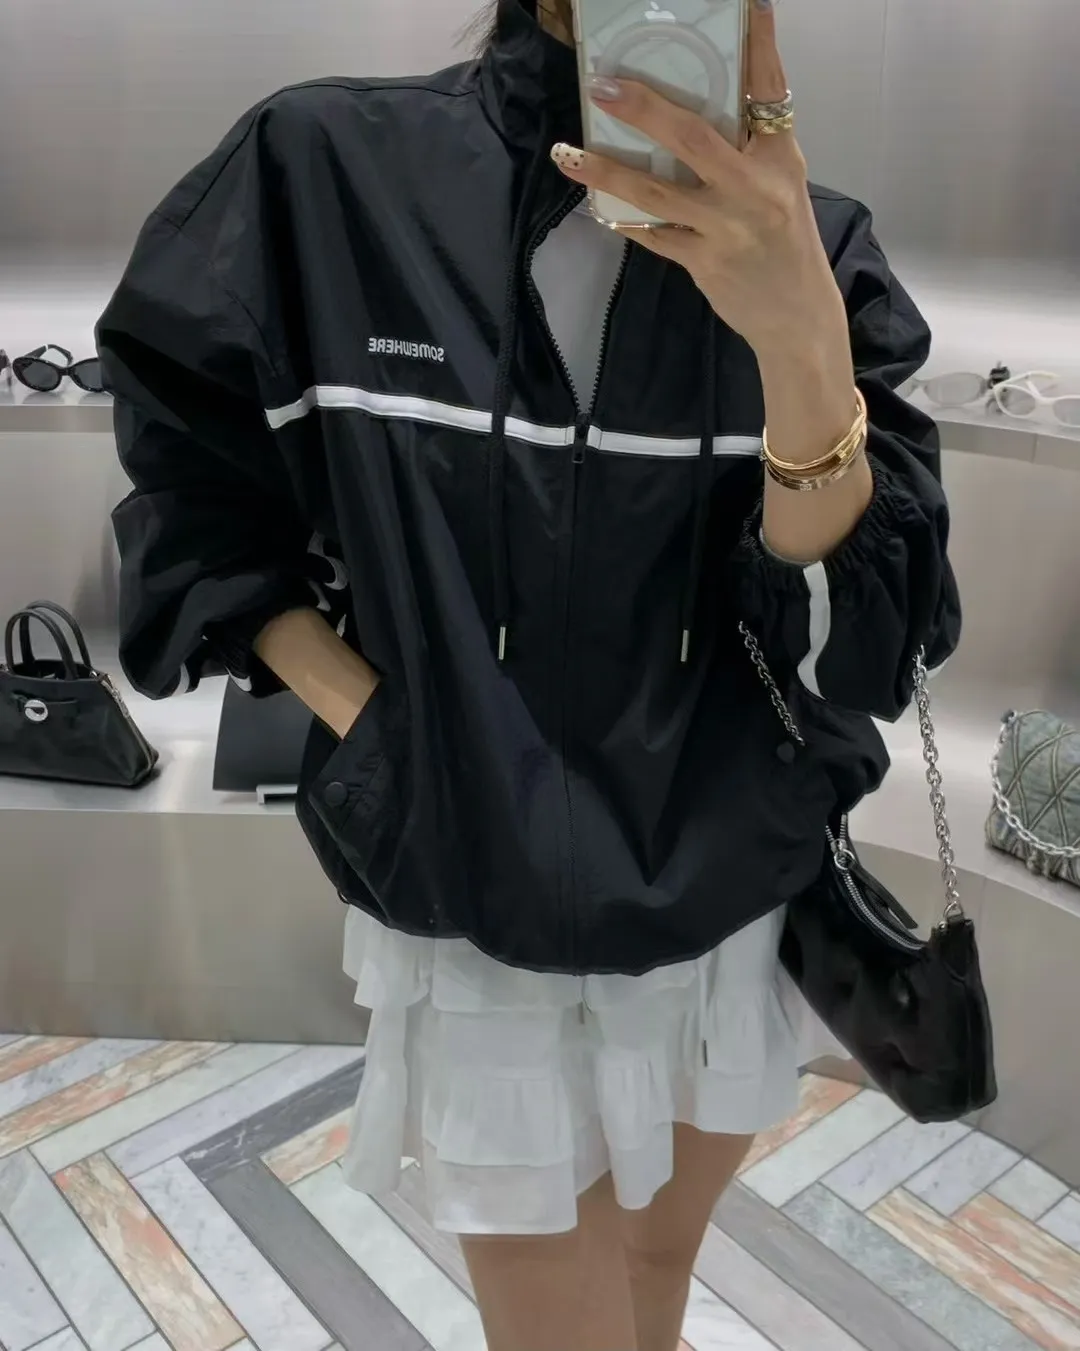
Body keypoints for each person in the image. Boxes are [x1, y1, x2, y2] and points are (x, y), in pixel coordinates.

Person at [97, 0, 960, 1347]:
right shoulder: (328, 174)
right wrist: (380, 726)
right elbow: (196, 496)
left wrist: (801, 345)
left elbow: (861, 640)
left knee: (654, 1281)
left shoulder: (819, 246)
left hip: (722, 897)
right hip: (476, 892)